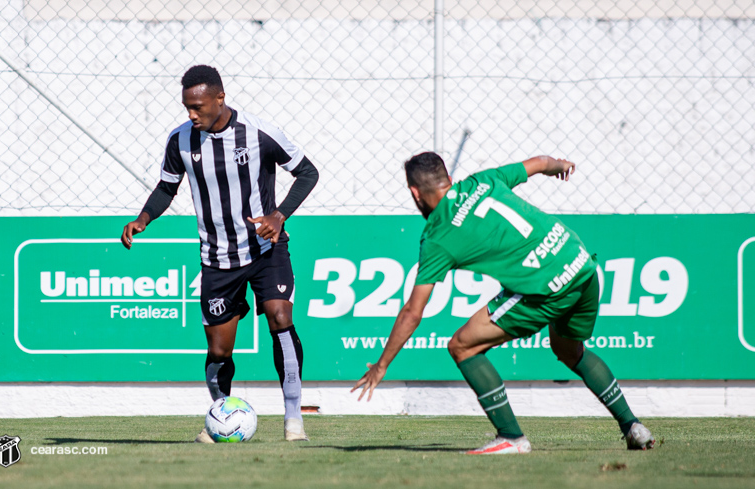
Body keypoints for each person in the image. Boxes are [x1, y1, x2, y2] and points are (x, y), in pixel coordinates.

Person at [352, 152, 655, 454]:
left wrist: (382, 365)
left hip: (547, 284)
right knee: (568, 349)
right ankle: (633, 427)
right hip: (580, 262)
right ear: (450, 180)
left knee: (461, 345)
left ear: (415, 193)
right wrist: (559, 167)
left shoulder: (437, 236)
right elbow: (539, 163)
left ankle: (511, 436)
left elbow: (412, 312)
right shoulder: (482, 181)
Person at [122, 65, 318, 442]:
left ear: (219, 99)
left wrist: (279, 215)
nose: (191, 114)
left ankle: (294, 419)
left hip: (266, 249)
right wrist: (143, 218)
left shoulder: (259, 133)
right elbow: (166, 188)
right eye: (187, 107)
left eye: (197, 106)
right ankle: (222, 420)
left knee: (279, 317)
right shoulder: (180, 140)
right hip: (217, 259)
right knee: (219, 348)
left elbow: (308, 172)